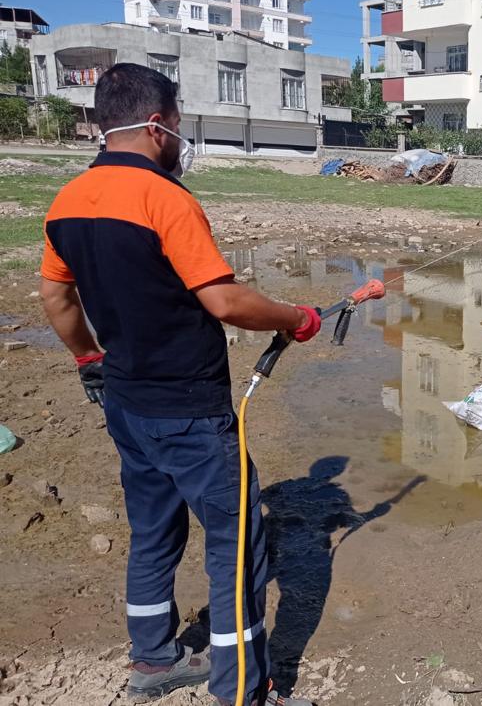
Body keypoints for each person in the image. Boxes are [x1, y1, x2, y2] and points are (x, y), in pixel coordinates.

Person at [39, 63, 319, 706]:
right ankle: (242, 690)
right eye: (178, 123)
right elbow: (224, 301)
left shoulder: (67, 200)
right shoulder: (165, 198)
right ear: (156, 124)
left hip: (126, 404)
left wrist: (88, 359)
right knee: (236, 548)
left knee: (153, 532)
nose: (180, 138)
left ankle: (154, 660)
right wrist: (295, 317)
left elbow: (57, 298)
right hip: (189, 410)